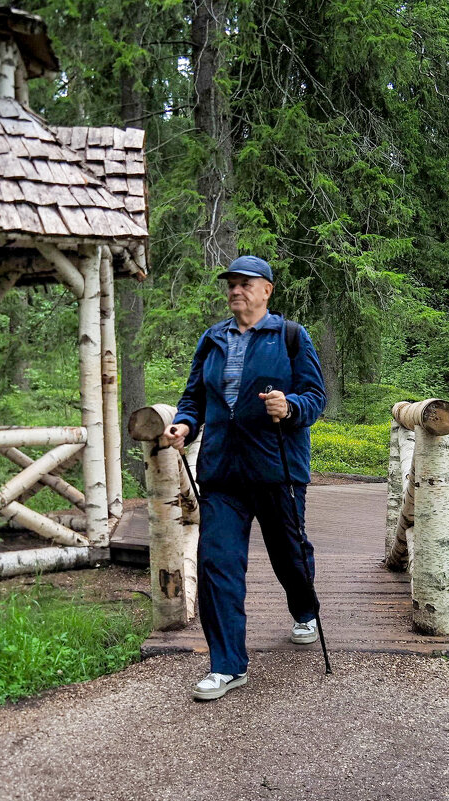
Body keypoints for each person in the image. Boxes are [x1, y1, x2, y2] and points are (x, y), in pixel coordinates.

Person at [160, 255, 327, 701]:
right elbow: (193, 397)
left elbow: (315, 397)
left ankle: (304, 610)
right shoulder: (212, 339)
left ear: (267, 290)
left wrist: (289, 407)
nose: (236, 290)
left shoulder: (290, 336)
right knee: (218, 565)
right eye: (231, 283)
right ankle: (228, 664)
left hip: (278, 470)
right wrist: (184, 425)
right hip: (222, 473)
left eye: (245, 283)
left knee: (289, 554)